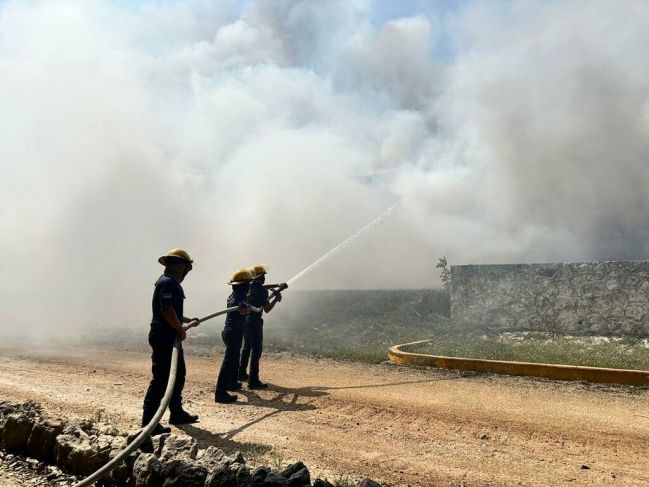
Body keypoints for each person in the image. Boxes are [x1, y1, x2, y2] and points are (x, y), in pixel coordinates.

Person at [142, 248, 200, 435]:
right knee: (161, 380)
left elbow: (172, 311)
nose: (187, 272)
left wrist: (186, 321)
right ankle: (148, 425)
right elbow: (166, 310)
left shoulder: (169, 282)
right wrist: (179, 329)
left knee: (178, 374)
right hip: (164, 336)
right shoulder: (167, 283)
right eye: (186, 268)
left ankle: (176, 413)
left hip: (169, 334)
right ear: (180, 267)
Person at [238, 264, 283, 389]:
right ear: (262, 277)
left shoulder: (249, 287)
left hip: (245, 321)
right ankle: (253, 380)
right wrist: (276, 299)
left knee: (246, 347)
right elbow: (267, 309)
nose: (265, 278)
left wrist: (277, 286)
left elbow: (262, 287)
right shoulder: (263, 291)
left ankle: (241, 373)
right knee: (256, 349)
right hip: (255, 322)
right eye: (264, 276)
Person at [214, 268, 255, 403]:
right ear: (244, 285)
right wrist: (249, 307)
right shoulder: (241, 296)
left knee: (234, 358)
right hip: (234, 332)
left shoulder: (233, 295)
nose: (249, 286)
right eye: (248, 284)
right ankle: (220, 392)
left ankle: (232, 382)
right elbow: (243, 311)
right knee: (229, 362)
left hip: (228, 331)